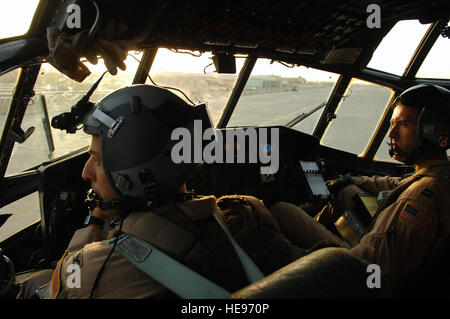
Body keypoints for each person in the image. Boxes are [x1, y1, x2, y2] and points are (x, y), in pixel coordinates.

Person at [17, 84, 304, 299]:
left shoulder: (98, 267)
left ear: (132, 176)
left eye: (98, 161)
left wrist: (95, 220)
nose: (85, 173)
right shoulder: (249, 211)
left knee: (33, 281)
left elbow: (69, 279)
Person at [270, 83, 450, 292]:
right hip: (371, 259)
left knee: (281, 211)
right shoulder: (437, 176)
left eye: (404, 124)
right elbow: (395, 183)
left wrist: (294, 255)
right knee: (348, 192)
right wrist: (355, 181)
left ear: (431, 132)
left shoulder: (418, 200)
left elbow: (374, 272)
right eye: (392, 123)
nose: (391, 134)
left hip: (356, 272)